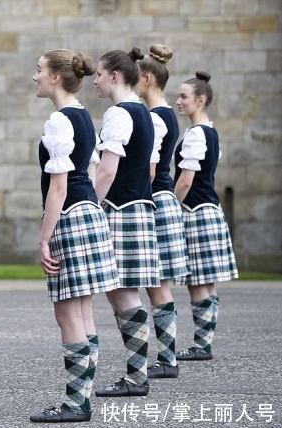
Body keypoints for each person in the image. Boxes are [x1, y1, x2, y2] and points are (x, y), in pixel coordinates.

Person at [29, 49, 119, 423]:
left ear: (54, 77)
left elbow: (58, 188)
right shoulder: (83, 115)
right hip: (90, 214)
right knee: (82, 312)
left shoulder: (59, 120)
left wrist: (44, 237)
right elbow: (95, 171)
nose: (34, 76)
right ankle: (81, 400)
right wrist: (90, 213)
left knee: (67, 312)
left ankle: (76, 403)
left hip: (69, 215)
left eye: (39, 70)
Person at [92, 48, 160, 397]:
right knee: (123, 293)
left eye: (100, 74)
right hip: (135, 208)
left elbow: (107, 169)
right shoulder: (143, 112)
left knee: (121, 293)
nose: (95, 80)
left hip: (121, 210)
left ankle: (137, 377)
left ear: (115, 76)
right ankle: (137, 375)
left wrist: (90, 206)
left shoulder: (119, 113)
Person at [173, 71, 238, 361]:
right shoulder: (211, 132)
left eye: (183, 96)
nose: (178, 101)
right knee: (206, 282)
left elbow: (186, 181)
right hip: (210, 210)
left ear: (201, 100)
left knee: (197, 280)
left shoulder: (197, 134)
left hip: (196, 211)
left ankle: (201, 345)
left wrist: (172, 208)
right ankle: (205, 342)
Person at [135, 44, 189, 379]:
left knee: (156, 283)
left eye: (136, 79)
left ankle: (167, 359)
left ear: (149, 79)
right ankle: (167, 356)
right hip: (164, 198)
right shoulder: (166, 113)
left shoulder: (155, 117)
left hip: (155, 198)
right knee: (158, 283)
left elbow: (150, 169)